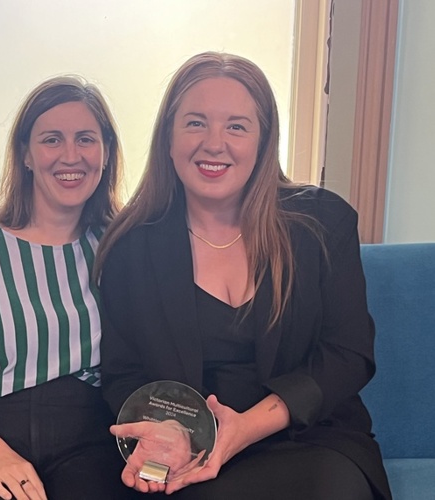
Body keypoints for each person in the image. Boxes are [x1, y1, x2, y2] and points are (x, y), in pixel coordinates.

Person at [95, 52, 392, 499]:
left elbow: (348, 354)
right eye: (195, 123)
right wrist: (169, 434)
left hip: (314, 442)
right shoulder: (129, 250)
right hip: (194, 452)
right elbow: (123, 374)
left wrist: (246, 428)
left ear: (263, 139)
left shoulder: (324, 222)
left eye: (236, 126)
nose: (214, 143)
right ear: (168, 139)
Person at [0, 76, 131, 499]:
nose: (71, 155)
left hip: (88, 439)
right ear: (25, 153)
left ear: (106, 151)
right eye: (51, 140)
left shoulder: (120, 247)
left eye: (85, 139)